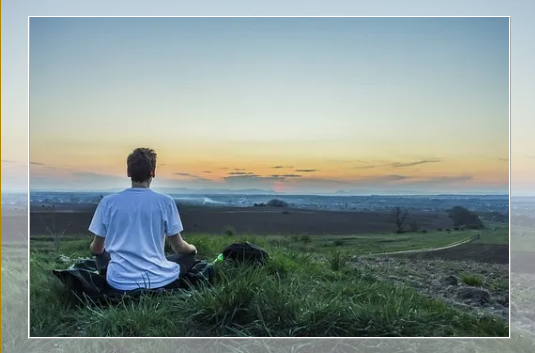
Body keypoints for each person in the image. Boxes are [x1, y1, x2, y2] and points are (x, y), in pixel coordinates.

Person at [88, 147, 197, 292]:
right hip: (159, 280)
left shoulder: (108, 203)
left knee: (100, 255)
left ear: (128, 173)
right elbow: (178, 247)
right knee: (188, 257)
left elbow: (96, 249)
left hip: (119, 282)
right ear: (153, 172)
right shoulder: (166, 202)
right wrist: (192, 249)